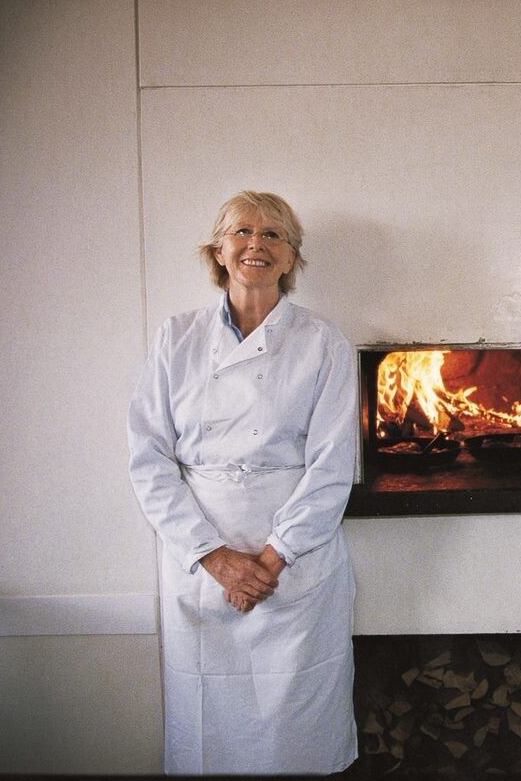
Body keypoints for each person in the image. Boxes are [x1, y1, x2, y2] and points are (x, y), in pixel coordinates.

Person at [127, 191, 358, 775]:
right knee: (211, 733)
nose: (257, 244)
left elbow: (332, 466)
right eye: (242, 232)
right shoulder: (176, 338)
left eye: (273, 234)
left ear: (291, 258)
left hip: (296, 562)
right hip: (202, 559)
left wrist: (272, 560)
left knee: (297, 733)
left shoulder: (323, 342)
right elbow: (149, 459)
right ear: (219, 251)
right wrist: (215, 557)